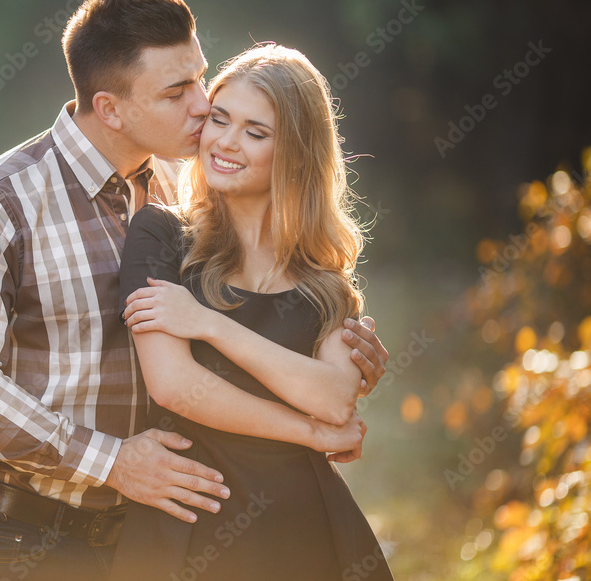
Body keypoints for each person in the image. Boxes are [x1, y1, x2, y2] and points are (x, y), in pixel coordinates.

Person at [0, 0, 390, 581]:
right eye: (177, 92)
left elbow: (247, 328)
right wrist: (111, 462)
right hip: (18, 533)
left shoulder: (188, 192)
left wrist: (330, 377)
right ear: (111, 108)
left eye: (199, 78)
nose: (202, 105)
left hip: (150, 534)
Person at [108, 43, 395, 580]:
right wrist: (309, 433)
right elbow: (172, 385)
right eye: (220, 119)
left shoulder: (321, 278)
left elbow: (335, 400)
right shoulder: (160, 235)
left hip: (302, 531)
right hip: (188, 523)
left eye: (255, 132)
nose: (226, 142)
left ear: (295, 153)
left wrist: (207, 323)